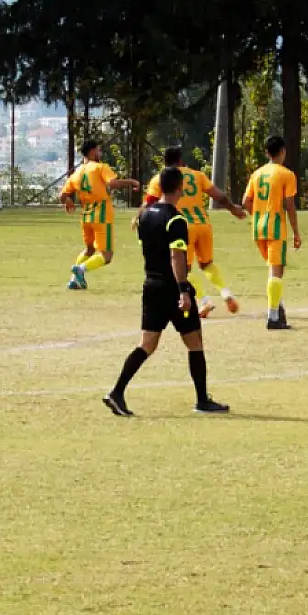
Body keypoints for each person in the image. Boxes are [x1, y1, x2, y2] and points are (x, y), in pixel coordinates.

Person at [103, 166, 229, 417]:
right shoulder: (176, 218)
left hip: (151, 286)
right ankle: (202, 400)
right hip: (172, 289)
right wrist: (183, 290)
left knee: (147, 344)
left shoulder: (144, 216)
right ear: (180, 187)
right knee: (194, 342)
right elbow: (176, 256)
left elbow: (151, 250)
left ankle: (117, 392)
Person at [140, 146, 247, 317]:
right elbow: (218, 195)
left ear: (165, 162)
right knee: (207, 264)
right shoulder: (197, 175)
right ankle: (226, 293)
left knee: (183, 269)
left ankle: (204, 302)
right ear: (181, 160)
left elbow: (150, 202)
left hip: (182, 226)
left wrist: (139, 217)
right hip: (203, 225)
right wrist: (233, 208)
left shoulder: (161, 178)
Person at [61, 139, 140, 290]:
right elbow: (113, 183)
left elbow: (63, 194)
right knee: (107, 256)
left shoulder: (77, 172)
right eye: (99, 150)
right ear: (92, 151)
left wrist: (67, 200)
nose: (101, 153)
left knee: (90, 249)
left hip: (86, 215)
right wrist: (131, 182)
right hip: (101, 213)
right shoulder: (100, 167)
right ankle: (81, 269)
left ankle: (74, 280)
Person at [243, 135, 301, 330]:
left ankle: (278, 307)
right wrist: (296, 232)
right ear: (283, 151)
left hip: (258, 228)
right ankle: (273, 317)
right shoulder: (286, 174)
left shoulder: (257, 174)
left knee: (275, 270)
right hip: (276, 227)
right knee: (276, 271)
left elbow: (246, 202)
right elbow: (290, 205)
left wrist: (257, 215)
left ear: (267, 152)